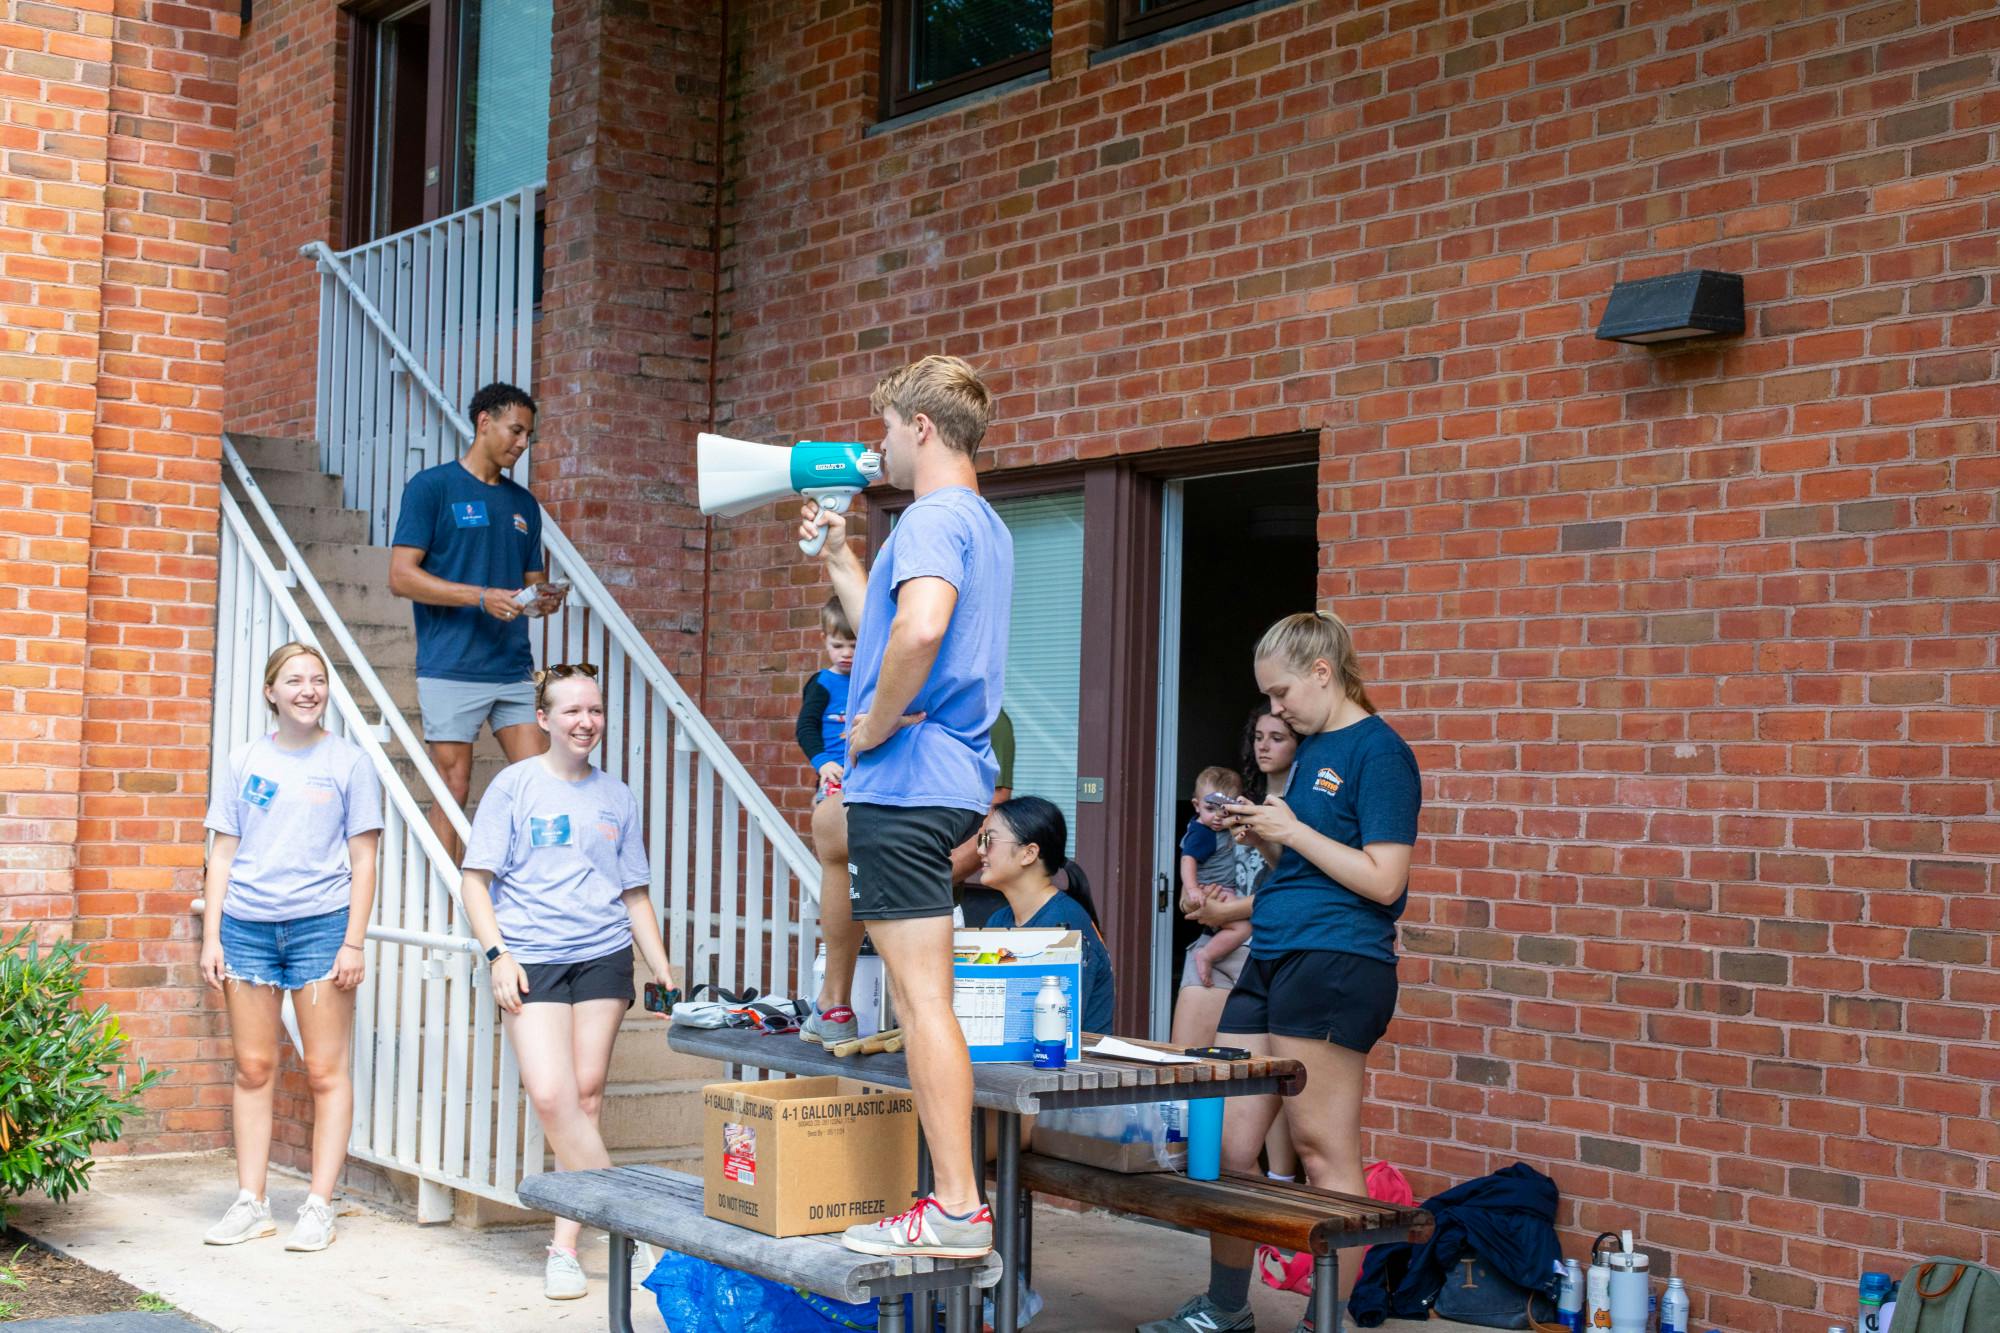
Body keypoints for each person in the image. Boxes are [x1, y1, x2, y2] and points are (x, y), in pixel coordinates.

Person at [1142, 611, 1421, 1333]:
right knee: (1229, 1149)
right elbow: (1307, 869)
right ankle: (1227, 1307)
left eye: (1280, 692)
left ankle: (1321, 1322)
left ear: (1323, 674)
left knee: (1325, 1152)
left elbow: (1385, 880)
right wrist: (1265, 837)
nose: (1275, 710)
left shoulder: (1381, 752)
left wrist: (1292, 827)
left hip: (1338, 963)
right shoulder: (1313, 748)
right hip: (1272, 955)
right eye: (1268, 698)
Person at [797, 354, 1013, 1261]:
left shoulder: (927, 516)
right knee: (932, 999)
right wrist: (843, 554)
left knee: (925, 1004)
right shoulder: (981, 521)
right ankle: (958, 1201)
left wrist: (872, 725)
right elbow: (900, 623)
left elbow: (920, 631)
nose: (876, 446)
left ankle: (957, 1207)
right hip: (953, 780)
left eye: (884, 429)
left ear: (920, 429)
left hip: (908, 780)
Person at [455, 663, 677, 1301]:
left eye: (595, 711)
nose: (586, 722)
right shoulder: (513, 786)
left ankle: (565, 1247)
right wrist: (498, 954)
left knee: (584, 1095)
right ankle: (634, 1227)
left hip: (604, 955)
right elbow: (477, 880)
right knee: (552, 1097)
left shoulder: (617, 795)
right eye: (572, 712)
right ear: (544, 719)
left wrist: (661, 967)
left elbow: (632, 891)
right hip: (531, 957)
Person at [200, 643, 382, 1253]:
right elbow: (222, 851)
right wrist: (212, 935)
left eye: (318, 679)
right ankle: (251, 1202)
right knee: (254, 1068)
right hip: (247, 928)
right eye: (294, 679)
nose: (308, 689)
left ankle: (318, 1206)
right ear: (271, 692)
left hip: (322, 929)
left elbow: (365, 858)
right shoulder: (244, 759)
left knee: (326, 1071)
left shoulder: (349, 763)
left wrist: (353, 940)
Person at [388, 382, 567, 862]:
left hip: (511, 668)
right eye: (516, 430)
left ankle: (534, 900)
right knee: (453, 785)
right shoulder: (432, 487)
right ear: (484, 422)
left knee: (541, 784)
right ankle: (442, 914)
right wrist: (480, 597)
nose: (522, 443)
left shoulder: (523, 505)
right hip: (450, 665)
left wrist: (542, 598)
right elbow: (401, 578)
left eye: (528, 435)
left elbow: (530, 580)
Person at [1167, 706, 1298, 1055]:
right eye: (1258, 738)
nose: (1264, 747)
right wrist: (1193, 901)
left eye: (1277, 738)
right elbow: (1193, 872)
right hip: (1213, 945)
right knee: (1184, 1070)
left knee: (1257, 1086)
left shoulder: (1301, 810)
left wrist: (1226, 913)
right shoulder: (1231, 806)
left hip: (1265, 955)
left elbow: (1297, 889)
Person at [978, 796, 1114, 1033]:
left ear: (1029, 854)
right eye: (981, 839)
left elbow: (1056, 1027)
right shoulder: (998, 921)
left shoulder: (1064, 926)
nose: (980, 849)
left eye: (990, 839)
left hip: (1070, 1065)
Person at [1181, 766, 1249, 987]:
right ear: (1196, 805)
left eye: (1224, 810)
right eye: (1210, 808)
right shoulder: (1203, 833)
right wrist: (1192, 889)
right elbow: (1187, 860)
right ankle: (1206, 954)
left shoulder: (1215, 829)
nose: (1218, 817)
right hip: (1216, 889)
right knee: (1243, 928)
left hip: (1220, 888)